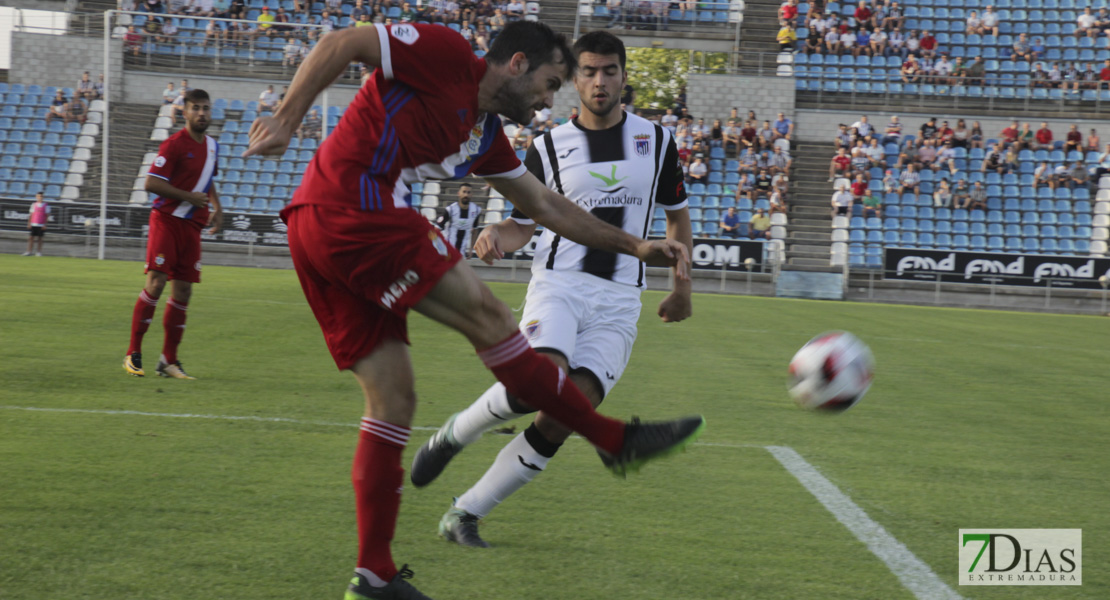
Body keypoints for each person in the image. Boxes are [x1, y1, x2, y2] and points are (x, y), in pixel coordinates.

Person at [240, 22, 703, 600]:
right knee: (493, 322)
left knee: (393, 398)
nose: (548, 101)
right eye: (551, 82)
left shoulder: (484, 136)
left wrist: (635, 246)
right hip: (356, 207)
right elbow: (345, 42)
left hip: (315, 227)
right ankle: (611, 439)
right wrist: (286, 116)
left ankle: (373, 575)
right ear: (516, 63)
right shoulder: (446, 55)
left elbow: (543, 205)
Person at [415, 32, 697, 549]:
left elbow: (677, 218)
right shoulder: (547, 147)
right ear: (573, 81)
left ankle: (464, 513)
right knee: (540, 383)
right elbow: (525, 222)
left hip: (619, 301)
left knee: (566, 413)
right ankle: (457, 432)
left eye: (609, 71)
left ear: (624, 76)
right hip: (559, 286)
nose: (598, 81)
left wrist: (682, 289)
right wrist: (497, 232)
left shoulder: (657, 142)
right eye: (587, 71)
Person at [124, 89, 223, 381]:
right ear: (185, 112)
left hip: (192, 227)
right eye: (196, 108)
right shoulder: (174, 145)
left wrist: (218, 206)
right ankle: (133, 353)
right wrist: (188, 197)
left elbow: (208, 180)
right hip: (167, 221)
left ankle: (169, 361)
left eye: (206, 108)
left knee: (183, 291)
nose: (202, 113)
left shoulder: (213, 147)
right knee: (156, 282)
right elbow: (151, 183)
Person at [435, 183, 483, 257]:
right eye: (464, 192)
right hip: (447, 251)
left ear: (471, 194)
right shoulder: (450, 210)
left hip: (462, 253)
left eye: (468, 192)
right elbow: (436, 229)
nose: (466, 195)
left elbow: (475, 230)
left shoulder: (476, 210)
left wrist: (471, 249)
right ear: (459, 193)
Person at [23, 192, 50, 256]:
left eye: (41, 196)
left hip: (41, 224)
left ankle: (39, 252)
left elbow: (47, 216)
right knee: (31, 238)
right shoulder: (33, 204)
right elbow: (31, 215)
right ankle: (29, 251)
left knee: (40, 238)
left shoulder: (46, 205)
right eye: (38, 196)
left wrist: (45, 225)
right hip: (33, 223)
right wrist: (29, 223)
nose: (39, 198)